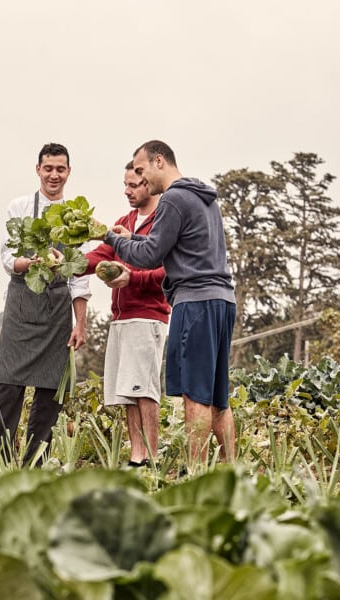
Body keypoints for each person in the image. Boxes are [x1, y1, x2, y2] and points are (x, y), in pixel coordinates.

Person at [97, 140, 236, 466]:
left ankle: (195, 474)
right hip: (222, 300)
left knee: (195, 396)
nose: (142, 181)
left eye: (142, 171)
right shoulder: (203, 199)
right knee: (219, 398)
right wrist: (132, 237)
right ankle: (233, 471)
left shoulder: (172, 198)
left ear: (159, 161)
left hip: (196, 303)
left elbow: (149, 256)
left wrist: (112, 238)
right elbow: (173, 244)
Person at [0, 142, 91, 467]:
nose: (54, 175)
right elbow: (6, 257)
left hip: (57, 312)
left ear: (69, 172)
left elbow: (80, 275)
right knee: (6, 388)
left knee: (49, 395)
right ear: (38, 170)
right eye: (48, 168)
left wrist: (81, 324)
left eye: (60, 169)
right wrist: (29, 262)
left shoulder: (76, 217)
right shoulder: (19, 207)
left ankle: (35, 465)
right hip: (21, 307)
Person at [83, 164, 170, 468]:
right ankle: (137, 456)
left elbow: (166, 272)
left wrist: (132, 278)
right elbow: (100, 256)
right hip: (120, 318)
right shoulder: (124, 222)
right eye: (125, 184)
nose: (127, 191)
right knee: (129, 392)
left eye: (133, 185)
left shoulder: (162, 224)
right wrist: (68, 262)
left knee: (144, 390)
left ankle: (154, 458)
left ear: (149, 183)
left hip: (147, 317)